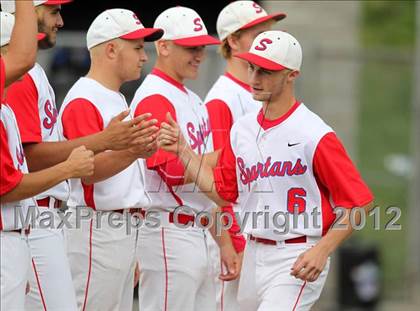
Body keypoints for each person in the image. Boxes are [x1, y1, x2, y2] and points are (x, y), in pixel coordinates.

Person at [158, 30, 374, 311]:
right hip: (253, 251)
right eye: (252, 67)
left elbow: (361, 202)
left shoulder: (314, 133)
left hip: (297, 253)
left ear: (291, 75)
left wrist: (322, 249)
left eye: (267, 71)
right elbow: (224, 195)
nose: (255, 79)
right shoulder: (243, 130)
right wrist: (184, 152)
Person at [2, 1, 153, 309]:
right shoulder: (22, 78)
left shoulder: (35, 74)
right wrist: (110, 143)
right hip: (41, 217)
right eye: (52, 11)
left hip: (47, 216)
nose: (59, 21)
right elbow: (28, 161)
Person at [130, 6, 239, 311]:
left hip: (198, 231)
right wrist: (224, 156)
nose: (200, 55)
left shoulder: (193, 99)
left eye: (202, 47)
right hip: (168, 232)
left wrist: (224, 242)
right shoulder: (155, 97)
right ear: (163, 46)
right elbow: (175, 173)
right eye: (190, 47)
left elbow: (203, 183)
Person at [57, 9, 162, 310]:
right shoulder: (83, 98)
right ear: (112, 49)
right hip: (97, 229)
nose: (144, 56)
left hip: (121, 229)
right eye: (138, 47)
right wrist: (134, 151)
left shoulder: (113, 95)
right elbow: (87, 172)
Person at [0, 4, 94, 309]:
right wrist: (71, 166)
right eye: (52, 10)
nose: (61, 20)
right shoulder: (17, 84)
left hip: (26, 228)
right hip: (23, 223)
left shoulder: (10, 103)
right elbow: (13, 181)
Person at [205, 2, 286, 310]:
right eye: (258, 33)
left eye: (269, 31)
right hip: (241, 238)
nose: (268, 40)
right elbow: (218, 178)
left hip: (265, 232)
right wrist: (233, 242)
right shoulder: (223, 99)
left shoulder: (261, 92)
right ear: (233, 42)